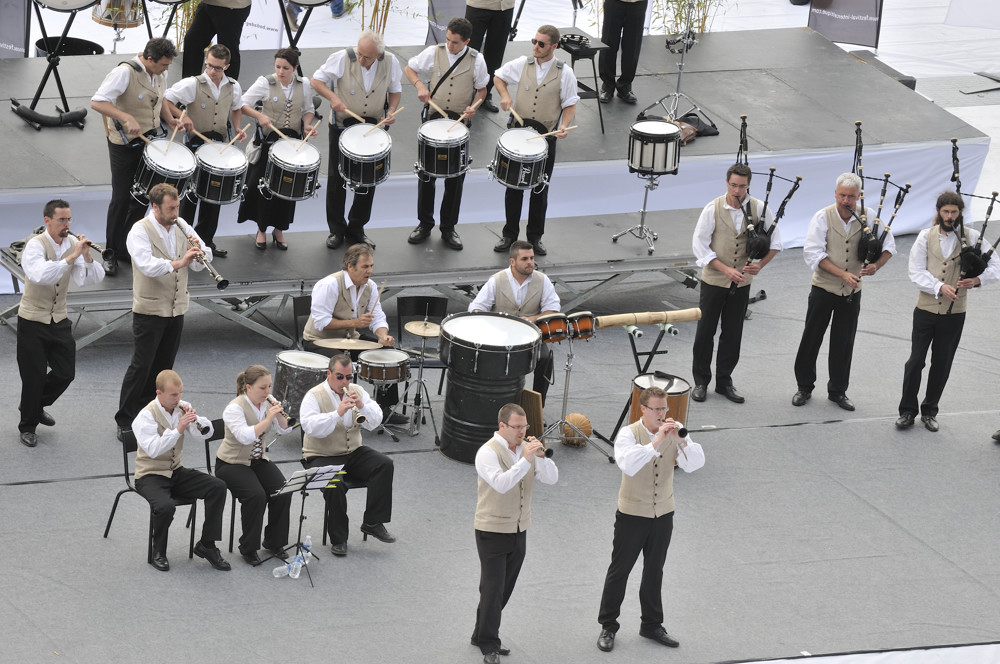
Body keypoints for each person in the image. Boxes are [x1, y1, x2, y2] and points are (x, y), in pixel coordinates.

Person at [596, 386, 704, 653]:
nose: (662, 413)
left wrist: (681, 441)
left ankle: (652, 624)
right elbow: (628, 464)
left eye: (664, 408)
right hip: (632, 514)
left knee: (655, 570)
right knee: (620, 571)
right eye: (656, 408)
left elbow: (695, 464)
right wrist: (656, 442)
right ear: (642, 409)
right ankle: (608, 625)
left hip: (663, 513)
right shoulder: (628, 434)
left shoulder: (674, 428)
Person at [114, 183, 214, 442]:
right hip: (149, 308)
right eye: (170, 208)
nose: (175, 212)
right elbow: (147, 265)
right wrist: (180, 262)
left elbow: (205, 259)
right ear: (155, 207)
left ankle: (151, 414)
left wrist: (201, 253)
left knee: (163, 366)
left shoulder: (181, 224)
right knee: (141, 365)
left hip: (176, 307)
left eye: (177, 206)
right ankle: (125, 419)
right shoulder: (140, 230)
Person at [896, 192, 1000, 432]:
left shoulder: (973, 237)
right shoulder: (925, 236)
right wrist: (939, 286)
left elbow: (995, 266)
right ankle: (907, 411)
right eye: (946, 212)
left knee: (942, 363)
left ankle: (930, 411)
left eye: (954, 212)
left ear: (960, 213)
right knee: (915, 362)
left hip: (955, 314)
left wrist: (977, 280)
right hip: (925, 309)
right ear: (939, 212)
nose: (950, 216)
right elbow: (915, 272)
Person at [792, 172, 896, 411]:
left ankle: (838, 390)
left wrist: (876, 265)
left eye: (851, 196)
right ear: (835, 194)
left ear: (859, 196)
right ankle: (804, 387)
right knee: (811, 338)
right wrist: (842, 274)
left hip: (852, 292)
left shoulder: (870, 216)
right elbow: (813, 254)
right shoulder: (822, 217)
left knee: (844, 341)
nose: (846, 201)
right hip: (823, 288)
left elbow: (889, 246)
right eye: (842, 195)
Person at [472, 403, 558, 664]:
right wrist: (526, 460)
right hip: (492, 529)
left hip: (519, 528)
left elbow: (552, 479)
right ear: (502, 426)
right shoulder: (486, 452)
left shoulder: (526, 451)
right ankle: (489, 642)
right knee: (493, 588)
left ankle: (480, 633)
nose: (522, 432)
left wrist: (541, 457)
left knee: (504, 587)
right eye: (517, 427)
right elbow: (501, 484)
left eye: (525, 427)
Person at [17, 200, 105, 448]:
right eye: (62, 220)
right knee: (33, 377)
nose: (67, 225)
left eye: (69, 220)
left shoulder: (72, 245)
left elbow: (88, 279)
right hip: (33, 319)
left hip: (59, 319)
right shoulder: (34, 245)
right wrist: (71, 258)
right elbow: (40, 275)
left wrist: (86, 257)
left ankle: (33, 405)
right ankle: (28, 426)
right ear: (48, 221)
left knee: (66, 373)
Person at [690, 163, 781, 405]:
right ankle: (701, 381)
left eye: (742, 186)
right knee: (705, 332)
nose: (737, 190)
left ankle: (724, 382)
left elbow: (776, 244)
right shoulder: (713, 208)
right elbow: (700, 246)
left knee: (733, 333)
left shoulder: (760, 208)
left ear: (748, 184)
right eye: (733, 185)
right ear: (726, 183)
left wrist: (759, 266)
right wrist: (725, 269)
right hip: (714, 280)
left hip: (741, 283)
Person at [91, 37, 179, 276]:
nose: (166, 69)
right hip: (123, 143)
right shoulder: (124, 73)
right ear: (149, 59)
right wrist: (125, 117)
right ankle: (110, 252)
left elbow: (159, 100)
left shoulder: (159, 72)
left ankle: (125, 248)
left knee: (140, 196)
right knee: (121, 197)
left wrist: (170, 118)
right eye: (163, 64)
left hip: (148, 139)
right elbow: (98, 102)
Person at [311, 31, 403, 250]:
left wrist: (391, 111)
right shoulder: (342, 57)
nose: (361, 59)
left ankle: (357, 228)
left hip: (373, 127)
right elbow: (316, 80)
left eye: (367, 57)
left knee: (367, 180)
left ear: (378, 55)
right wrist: (333, 98)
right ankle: (336, 229)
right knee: (337, 178)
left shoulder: (391, 62)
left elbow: (395, 90)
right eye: (360, 54)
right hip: (343, 125)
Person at [404, 17, 489, 251]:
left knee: (455, 178)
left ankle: (448, 227)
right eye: (448, 39)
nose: (449, 45)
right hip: (433, 120)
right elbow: (410, 68)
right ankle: (424, 223)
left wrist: (474, 107)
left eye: (455, 42)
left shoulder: (476, 59)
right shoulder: (435, 52)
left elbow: (482, 89)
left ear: (467, 41)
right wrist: (421, 86)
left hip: (459, 125)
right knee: (426, 174)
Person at [493, 25, 579, 256]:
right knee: (514, 187)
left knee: (540, 188)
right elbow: (498, 77)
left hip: (545, 138)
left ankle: (535, 237)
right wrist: (505, 95)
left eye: (541, 44)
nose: (535, 47)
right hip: (518, 135)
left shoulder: (565, 72)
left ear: (554, 46)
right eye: (534, 41)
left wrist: (564, 126)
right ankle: (509, 234)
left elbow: (570, 103)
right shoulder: (522, 63)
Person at [133, 370, 230, 572]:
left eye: (180, 393)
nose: (178, 399)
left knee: (217, 486)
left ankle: (207, 544)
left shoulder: (180, 408)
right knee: (166, 506)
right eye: (173, 395)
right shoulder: (145, 417)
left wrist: (198, 422)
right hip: (149, 475)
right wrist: (178, 429)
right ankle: (158, 550)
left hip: (175, 471)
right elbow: (153, 450)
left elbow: (203, 436)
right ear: (159, 393)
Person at [300, 354, 396, 556]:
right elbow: (311, 428)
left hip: (352, 451)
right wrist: (337, 413)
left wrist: (362, 406)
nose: (345, 382)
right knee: (335, 484)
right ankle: (339, 539)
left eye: (348, 377)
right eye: (339, 377)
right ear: (329, 374)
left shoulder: (357, 391)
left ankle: (372, 522)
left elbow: (374, 422)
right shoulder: (314, 396)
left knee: (384, 464)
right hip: (321, 454)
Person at [303, 243, 406, 424]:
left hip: (349, 339)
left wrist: (383, 335)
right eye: (365, 267)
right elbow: (321, 322)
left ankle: (384, 409)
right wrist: (355, 323)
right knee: (341, 366)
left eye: (371, 266)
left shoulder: (370, 286)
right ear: (350, 267)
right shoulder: (329, 285)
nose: (370, 271)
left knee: (386, 355)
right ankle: (335, 411)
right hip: (318, 341)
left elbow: (378, 317)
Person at [163, 43, 246, 258]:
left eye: (217, 68)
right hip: (195, 144)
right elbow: (166, 99)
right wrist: (183, 116)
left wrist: (237, 127)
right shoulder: (192, 84)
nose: (211, 70)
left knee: (214, 195)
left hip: (218, 145)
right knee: (191, 195)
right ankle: (184, 243)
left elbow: (237, 107)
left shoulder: (233, 86)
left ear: (226, 67)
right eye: (208, 65)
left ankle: (206, 242)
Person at [237, 48, 317, 251]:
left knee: (288, 187)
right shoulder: (265, 83)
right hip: (270, 142)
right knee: (264, 185)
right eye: (278, 67)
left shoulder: (304, 84)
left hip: (292, 143)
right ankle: (261, 228)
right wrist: (259, 116)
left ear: (295, 68)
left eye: (286, 68)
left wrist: (307, 124)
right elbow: (242, 104)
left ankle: (280, 228)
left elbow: (309, 110)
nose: (281, 71)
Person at [216, 365, 294, 565]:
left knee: (283, 490)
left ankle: (274, 542)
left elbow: (285, 430)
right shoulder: (234, 408)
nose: (267, 392)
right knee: (256, 495)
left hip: (257, 460)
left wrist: (279, 416)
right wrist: (268, 418)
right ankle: (248, 547)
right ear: (248, 387)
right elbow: (245, 436)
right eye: (262, 388)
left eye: (269, 386)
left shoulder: (267, 402)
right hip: (231, 462)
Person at [469, 240, 559, 405]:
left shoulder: (543, 280)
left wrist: (532, 319)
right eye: (525, 259)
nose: (530, 262)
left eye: (532, 258)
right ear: (512, 261)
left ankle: (537, 407)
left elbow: (552, 310)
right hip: (500, 337)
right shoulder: (497, 279)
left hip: (530, 336)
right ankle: (493, 401)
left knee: (546, 359)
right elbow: (476, 308)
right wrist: (490, 326)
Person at [181, 0, 251, 80]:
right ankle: (189, 86)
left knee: (227, 50)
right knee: (192, 41)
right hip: (209, 3)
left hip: (232, 6)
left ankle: (228, 89)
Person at [464, 0, 513, 113]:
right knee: (470, 52)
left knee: (496, 53)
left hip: (504, 7)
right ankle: (465, 93)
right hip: (478, 5)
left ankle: (484, 95)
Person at [598, 0, 647, 104]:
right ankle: (607, 85)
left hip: (638, 3)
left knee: (632, 46)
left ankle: (625, 86)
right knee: (608, 43)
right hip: (614, 2)